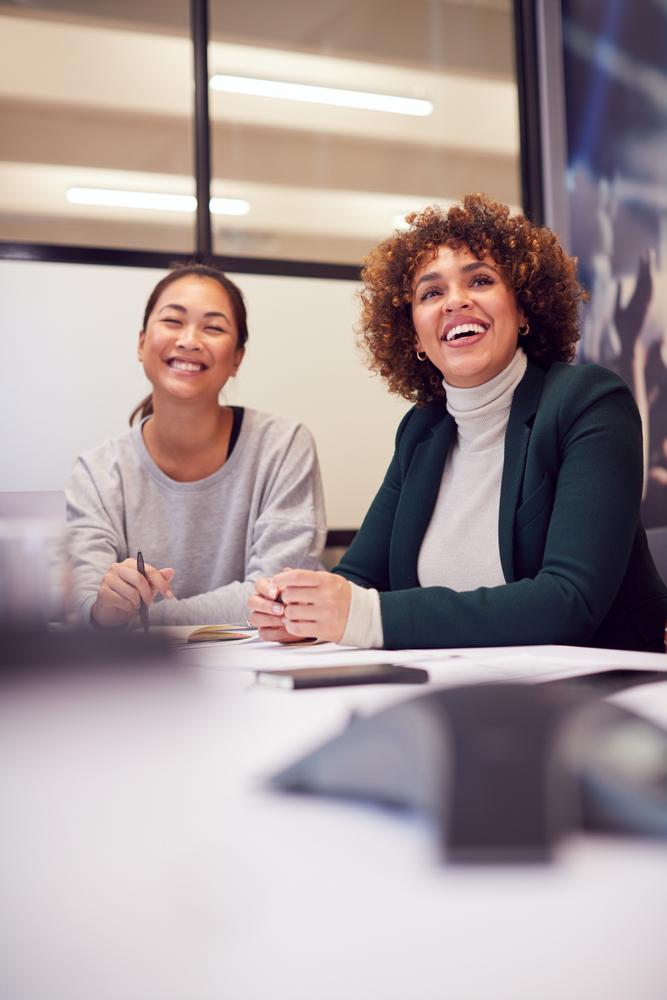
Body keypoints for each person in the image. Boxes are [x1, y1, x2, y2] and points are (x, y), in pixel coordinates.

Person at [248, 193, 667, 653]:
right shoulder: (421, 431)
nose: (455, 302)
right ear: (416, 339)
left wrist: (366, 617)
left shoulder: (588, 402)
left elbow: (570, 601)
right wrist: (300, 607)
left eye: (481, 280)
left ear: (525, 308)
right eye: (431, 292)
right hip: (457, 690)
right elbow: (359, 579)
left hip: (601, 697)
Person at [67, 264, 326, 627]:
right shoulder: (97, 471)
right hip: (135, 676)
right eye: (173, 321)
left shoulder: (282, 446)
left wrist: (144, 621)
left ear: (237, 358)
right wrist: (106, 608)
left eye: (214, 327)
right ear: (142, 343)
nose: (190, 340)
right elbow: (83, 605)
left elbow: (277, 594)